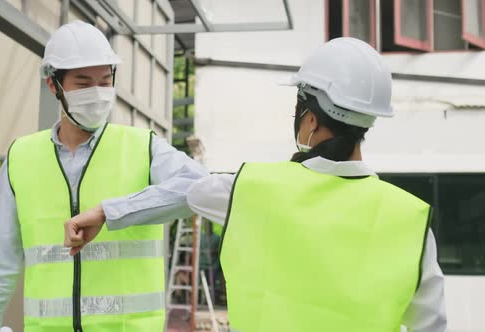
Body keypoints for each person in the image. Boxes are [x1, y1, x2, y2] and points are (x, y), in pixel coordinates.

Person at [185, 38, 447, 331]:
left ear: (310, 120)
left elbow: (195, 192)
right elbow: (431, 325)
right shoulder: (410, 220)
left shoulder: (252, 189)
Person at [0, 21, 208, 332]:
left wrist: (110, 212)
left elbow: (201, 187)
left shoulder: (142, 146)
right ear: (54, 85)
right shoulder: (21, 157)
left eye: (105, 82)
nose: (98, 93)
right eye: (83, 83)